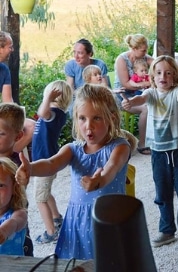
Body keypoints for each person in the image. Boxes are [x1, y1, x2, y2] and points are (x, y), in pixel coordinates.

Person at [16, 84, 131, 261]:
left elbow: (111, 168)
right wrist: (30, 168)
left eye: (97, 118)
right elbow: (51, 163)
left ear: (112, 118)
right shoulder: (73, 149)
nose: (88, 126)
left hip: (108, 220)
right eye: (82, 118)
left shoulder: (120, 147)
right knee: (76, 265)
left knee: (110, 263)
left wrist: (99, 180)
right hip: (77, 223)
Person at [122, 56, 178, 249]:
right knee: (163, 193)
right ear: (152, 76)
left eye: (168, 73)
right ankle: (167, 230)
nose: (163, 76)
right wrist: (131, 102)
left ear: (174, 75)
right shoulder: (151, 92)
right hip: (158, 153)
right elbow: (141, 98)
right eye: (158, 73)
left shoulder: (176, 91)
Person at [30, 80, 72, 245]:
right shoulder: (56, 113)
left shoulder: (53, 112)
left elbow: (41, 112)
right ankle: (56, 218)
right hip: (46, 161)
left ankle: (51, 232)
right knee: (45, 194)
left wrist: (47, 98)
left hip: (45, 163)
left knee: (39, 198)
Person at [114, 34, 153, 154]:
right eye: (143, 50)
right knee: (146, 108)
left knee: (159, 103)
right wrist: (145, 83)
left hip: (140, 94)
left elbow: (158, 64)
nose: (146, 52)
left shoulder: (145, 58)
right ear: (134, 48)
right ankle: (142, 144)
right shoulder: (122, 60)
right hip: (123, 96)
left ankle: (157, 140)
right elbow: (126, 84)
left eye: (146, 49)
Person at [0, 156, 27, 255]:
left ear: (14, 188)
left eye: (0, 185)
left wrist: (4, 231)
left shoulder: (18, 214)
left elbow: (14, 222)